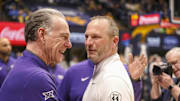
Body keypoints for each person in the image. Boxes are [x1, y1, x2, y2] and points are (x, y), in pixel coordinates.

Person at [0, 8, 72, 101]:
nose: (69, 44)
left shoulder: (24, 66)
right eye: (64, 37)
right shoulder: (37, 77)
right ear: (42, 35)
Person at [79, 16, 135, 101]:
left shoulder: (113, 79)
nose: (88, 43)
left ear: (114, 41)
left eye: (95, 37)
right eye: (87, 37)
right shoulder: (103, 71)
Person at [58, 53, 147, 101]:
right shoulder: (73, 71)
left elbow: (135, 98)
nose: (90, 41)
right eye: (87, 37)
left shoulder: (124, 70)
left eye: (96, 37)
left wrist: (134, 80)